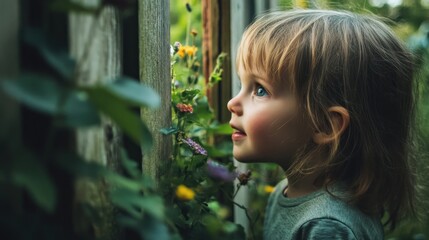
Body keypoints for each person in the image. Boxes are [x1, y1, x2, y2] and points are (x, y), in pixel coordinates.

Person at [227, 9, 416, 239]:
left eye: (260, 90)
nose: (232, 103)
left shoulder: (326, 226)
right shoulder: (287, 193)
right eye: (242, 84)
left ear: (325, 125)